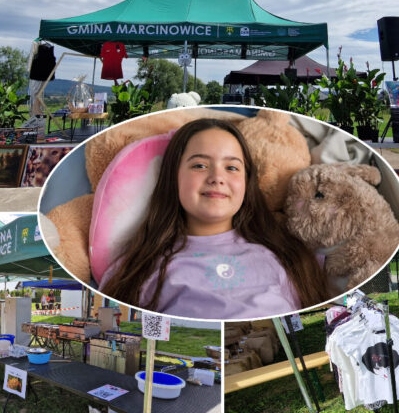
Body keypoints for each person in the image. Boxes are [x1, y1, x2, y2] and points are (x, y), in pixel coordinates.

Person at [100, 118, 330, 319]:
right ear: (174, 176)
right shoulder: (137, 269)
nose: (217, 177)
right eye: (200, 165)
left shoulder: (289, 256)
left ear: (247, 182)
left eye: (231, 167)